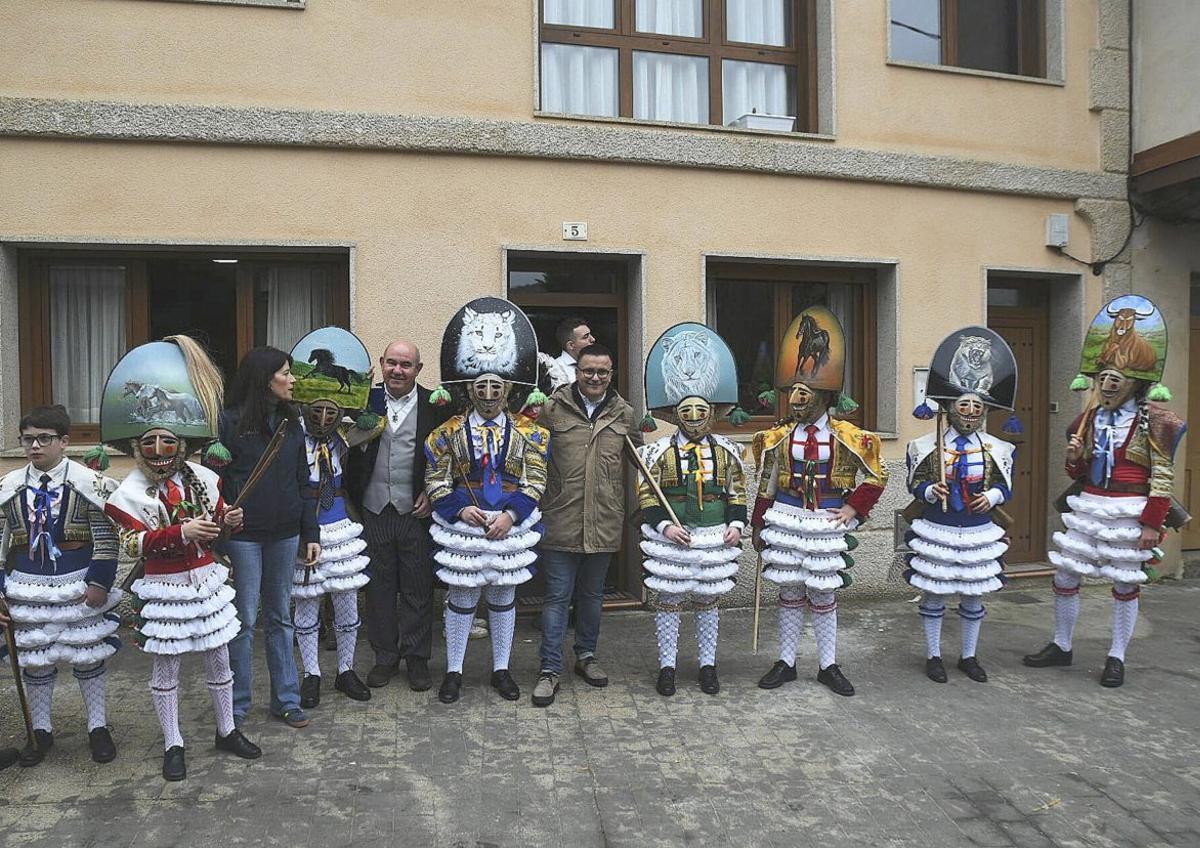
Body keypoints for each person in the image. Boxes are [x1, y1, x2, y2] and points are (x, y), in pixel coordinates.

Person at [101, 335, 261, 781]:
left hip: (206, 580)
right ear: (137, 446)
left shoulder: (206, 478)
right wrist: (180, 532)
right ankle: (173, 742)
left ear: (181, 444)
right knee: (166, 665)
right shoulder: (127, 493)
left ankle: (227, 729)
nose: (158, 451)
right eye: (149, 442)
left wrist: (229, 519)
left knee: (219, 658)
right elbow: (131, 545)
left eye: (167, 442)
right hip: (164, 585)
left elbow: (217, 525)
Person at [1024, 295, 1186, 688]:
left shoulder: (1156, 421)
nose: (1108, 384)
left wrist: (1151, 523)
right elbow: (1076, 471)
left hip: (1130, 509)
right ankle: (1062, 645)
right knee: (1065, 575)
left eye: (1117, 378)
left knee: (1125, 583)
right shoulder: (1089, 417)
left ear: (1136, 383)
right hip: (1090, 503)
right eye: (1103, 377)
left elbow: (1163, 475)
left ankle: (1117, 656)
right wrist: (1074, 457)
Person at [752, 306, 888, 697]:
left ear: (824, 395)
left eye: (804, 392)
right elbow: (767, 481)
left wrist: (852, 508)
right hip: (788, 515)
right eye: (793, 391)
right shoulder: (778, 435)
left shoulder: (849, 435)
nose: (795, 398)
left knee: (823, 593)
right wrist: (759, 524)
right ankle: (787, 662)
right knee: (790, 591)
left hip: (825, 519)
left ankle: (828, 665)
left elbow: (880, 475)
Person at [425, 296, 550, 704]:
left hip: (508, 526)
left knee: (502, 596)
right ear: (471, 389)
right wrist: (458, 508)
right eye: (482, 386)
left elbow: (536, 479)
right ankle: (454, 671)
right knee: (461, 596)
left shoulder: (532, 433)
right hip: (464, 524)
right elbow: (435, 477)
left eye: (497, 386)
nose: (490, 392)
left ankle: (501, 669)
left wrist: (512, 516)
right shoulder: (447, 432)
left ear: (510, 389)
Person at [0, 404, 120, 766]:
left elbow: (105, 535)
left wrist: (99, 580)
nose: (35, 446)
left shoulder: (89, 483)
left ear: (64, 442)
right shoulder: (8, 486)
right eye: (28, 439)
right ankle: (41, 730)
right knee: (35, 659)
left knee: (88, 653)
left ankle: (97, 727)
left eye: (44, 439)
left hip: (78, 579)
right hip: (27, 583)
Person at [902, 327, 1021, 683]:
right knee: (934, 591)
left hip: (976, 529)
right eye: (963, 404)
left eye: (976, 406)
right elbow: (914, 483)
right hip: (938, 525)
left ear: (984, 410)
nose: (969, 411)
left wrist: (993, 497)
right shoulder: (924, 446)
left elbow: (1005, 486)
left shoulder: (999, 448)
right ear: (950, 407)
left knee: (972, 594)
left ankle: (969, 656)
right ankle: (934, 655)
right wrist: (928, 492)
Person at [635, 324, 747, 697]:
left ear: (712, 412)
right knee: (669, 600)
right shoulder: (656, 452)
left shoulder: (730, 452)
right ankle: (667, 667)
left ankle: (707, 666)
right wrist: (665, 527)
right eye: (687, 410)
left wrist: (736, 524)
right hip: (675, 535)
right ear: (676, 414)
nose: (695, 416)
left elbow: (737, 491)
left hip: (714, 533)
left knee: (707, 600)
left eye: (701, 410)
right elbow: (648, 496)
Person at [531, 343, 639, 707]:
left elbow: (639, 461)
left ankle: (586, 657)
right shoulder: (551, 408)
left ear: (611, 374)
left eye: (602, 372)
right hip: (561, 515)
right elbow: (530, 454)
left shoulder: (624, 413)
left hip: (605, 518)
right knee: (557, 597)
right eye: (588, 371)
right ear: (577, 371)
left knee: (592, 598)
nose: (595, 378)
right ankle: (549, 669)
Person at [218, 346, 319, 729]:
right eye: (285, 373)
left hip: (285, 533)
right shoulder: (228, 424)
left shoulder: (293, 422)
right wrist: (222, 524)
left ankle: (287, 701)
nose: (292, 380)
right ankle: (237, 706)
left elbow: (303, 481)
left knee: (281, 617)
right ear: (265, 380)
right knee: (243, 621)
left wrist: (311, 531)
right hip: (244, 536)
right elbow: (215, 482)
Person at [346, 339, 451, 691]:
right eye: (391, 363)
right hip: (373, 509)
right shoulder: (364, 401)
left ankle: (418, 659)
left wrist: (433, 495)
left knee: (418, 588)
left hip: (414, 512)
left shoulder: (435, 406)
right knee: (378, 588)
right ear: (381, 363)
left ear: (418, 370)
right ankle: (385, 657)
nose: (397, 370)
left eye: (406, 365)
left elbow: (448, 459)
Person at [289, 327, 382, 707]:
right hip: (303, 527)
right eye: (317, 411)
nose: (324, 417)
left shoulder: (343, 438)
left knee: (346, 601)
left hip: (339, 523)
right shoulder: (291, 437)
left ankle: (346, 670)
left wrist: (363, 400)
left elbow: (377, 422)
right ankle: (311, 673)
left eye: (332, 412)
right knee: (307, 603)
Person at [552, 317, 595, 385]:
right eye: (585, 337)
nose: (593, 339)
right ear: (571, 345)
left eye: (590, 334)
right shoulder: (555, 369)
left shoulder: (595, 364)